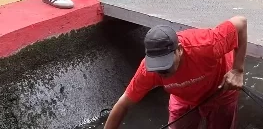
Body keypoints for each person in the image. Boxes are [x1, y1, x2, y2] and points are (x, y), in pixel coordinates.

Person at [104, 17, 248, 129]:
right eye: (158, 68)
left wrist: (238, 69)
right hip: (183, 96)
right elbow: (123, 104)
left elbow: (240, 23)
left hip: (221, 89)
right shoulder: (147, 71)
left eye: (166, 66)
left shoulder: (206, 45)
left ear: (179, 50)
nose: (162, 73)